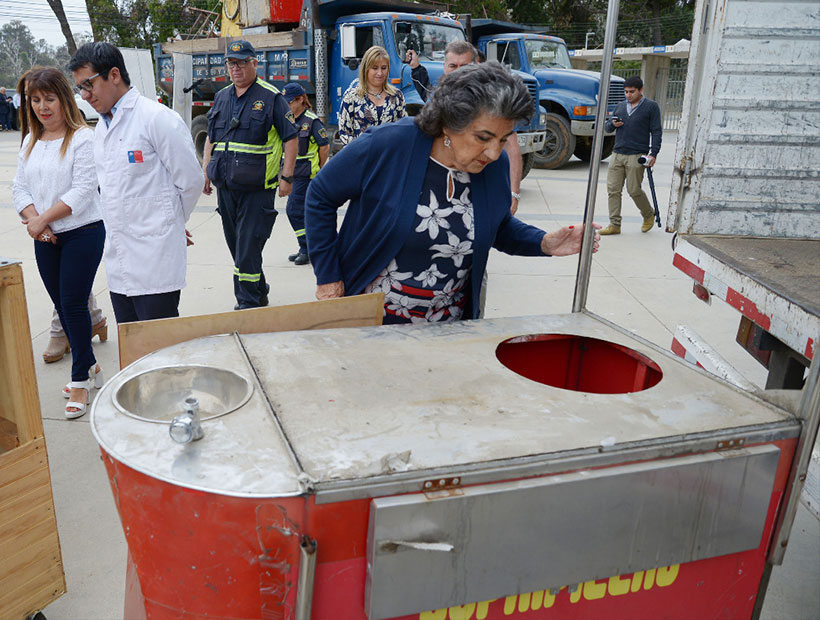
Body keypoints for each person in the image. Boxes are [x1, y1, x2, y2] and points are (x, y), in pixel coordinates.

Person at [305, 62, 599, 323]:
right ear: (448, 124)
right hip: (371, 322)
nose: (494, 153)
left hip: (449, 327)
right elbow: (320, 195)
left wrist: (544, 243)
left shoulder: (493, 167)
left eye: (504, 139)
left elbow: (494, 225)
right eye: (483, 137)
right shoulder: (389, 145)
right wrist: (328, 276)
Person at [69, 42, 203, 323]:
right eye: (80, 88)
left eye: (88, 85)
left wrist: (173, 220)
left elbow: (191, 181)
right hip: (119, 261)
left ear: (114, 75)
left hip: (156, 260)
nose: (84, 95)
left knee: (159, 350)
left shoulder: (156, 119)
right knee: (131, 346)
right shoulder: (102, 128)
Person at [12, 68, 106, 419]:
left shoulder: (83, 138)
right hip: (45, 236)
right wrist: (37, 221)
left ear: (63, 99)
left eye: (49, 98)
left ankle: (80, 378)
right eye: (35, 100)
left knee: (73, 302)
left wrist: (41, 220)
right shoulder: (29, 140)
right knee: (64, 307)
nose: (42, 107)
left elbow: (83, 192)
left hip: (83, 232)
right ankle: (92, 365)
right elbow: (19, 187)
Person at [202, 40, 298, 310]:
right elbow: (212, 137)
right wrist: (206, 170)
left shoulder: (271, 98)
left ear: (254, 63)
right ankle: (259, 288)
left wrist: (287, 177)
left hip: (258, 189)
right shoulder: (222, 97)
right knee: (238, 247)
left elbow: (291, 138)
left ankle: (248, 303)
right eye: (231, 63)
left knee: (248, 246)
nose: (236, 68)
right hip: (226, 187)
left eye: (242, 63)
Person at [601, 75, 662, 235]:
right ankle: (614, 224)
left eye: (632, 92)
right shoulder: (620, 106)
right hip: (617, 153)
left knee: (634, 190)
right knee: (613, 190)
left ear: (641, 90)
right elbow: (608, 128)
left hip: (637, 154)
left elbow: (656, 131)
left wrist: (653, 153)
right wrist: (611, 124)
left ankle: (649, 214)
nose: (628, 95)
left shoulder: (651, 107)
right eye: (626, 92)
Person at [282, 82, 329, 266]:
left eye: (290, 102)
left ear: (300, 99)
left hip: (308, 175)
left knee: (293, 210)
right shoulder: (290, 120)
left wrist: (320, 172)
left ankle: (306, 248)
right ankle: (308, 247)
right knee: (302, 212)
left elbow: (324, 147)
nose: (287, 106)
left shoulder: (311, 121)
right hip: (294, 174)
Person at [338, 46, 407, 145]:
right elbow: (344, 134)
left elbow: (403, 130)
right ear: (366, 69)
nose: (380, 73)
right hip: (362, 157)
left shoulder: (396, 96)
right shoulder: (351, 97)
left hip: (389, 157)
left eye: (383, 68)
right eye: (375, 68)